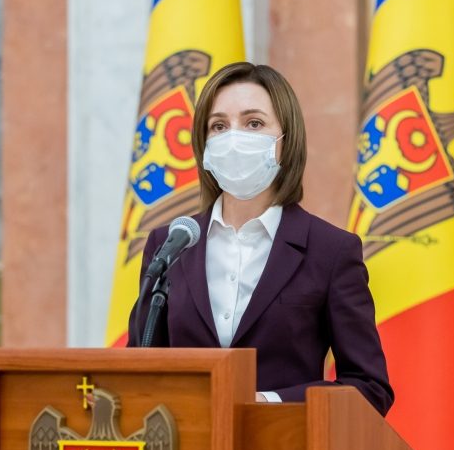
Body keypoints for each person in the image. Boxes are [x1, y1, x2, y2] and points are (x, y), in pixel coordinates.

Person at [128, 62, 393, 415]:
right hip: (182, 445)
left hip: (286, 444)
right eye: (219, 126)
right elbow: (137, 373)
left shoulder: (330, 251)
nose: (233, 138)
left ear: (286, 140)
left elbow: (369, 388)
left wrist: (267, 403)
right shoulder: (171, 244)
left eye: (253, 123)